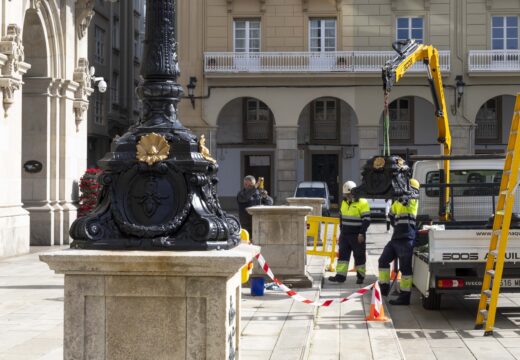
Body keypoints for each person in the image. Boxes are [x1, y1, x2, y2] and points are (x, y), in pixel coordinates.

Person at [378, 178, 420, 305]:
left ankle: (404, 297)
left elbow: (406, 199)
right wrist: (393, 222)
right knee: (383, 260)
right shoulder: (398, 202)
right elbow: (391, 214)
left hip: (407, 238)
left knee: (405, 269)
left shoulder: (413, 200)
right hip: (396, 238)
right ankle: (383, 288)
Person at [329, 181, 371, 284]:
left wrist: (362, 233)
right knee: (343, 256)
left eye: (348, 194)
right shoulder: (344, 202)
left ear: (354, 193)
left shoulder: (363, 202)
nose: (346, 196)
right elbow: (341, 218)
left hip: (357, 235)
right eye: (345, 195)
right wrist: (341, 232)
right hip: (345, 235)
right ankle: (340, 277)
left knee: (359, 256)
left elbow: (367, 220)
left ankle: (360, 277)